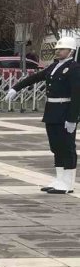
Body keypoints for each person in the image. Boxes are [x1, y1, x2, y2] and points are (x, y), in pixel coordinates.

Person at [6, 36, 80, 194]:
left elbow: (77, 96)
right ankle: (59, 179)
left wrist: (73, 118)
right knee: (55, 147)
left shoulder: (74, 68)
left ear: (71, 51)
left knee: (67, 147)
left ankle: (68, 183)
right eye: (58, 49)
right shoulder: (54, 67)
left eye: (62, 49)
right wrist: (16, 88)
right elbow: (35, 78)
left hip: (64, 111)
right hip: (52, 111)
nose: (58, 51)